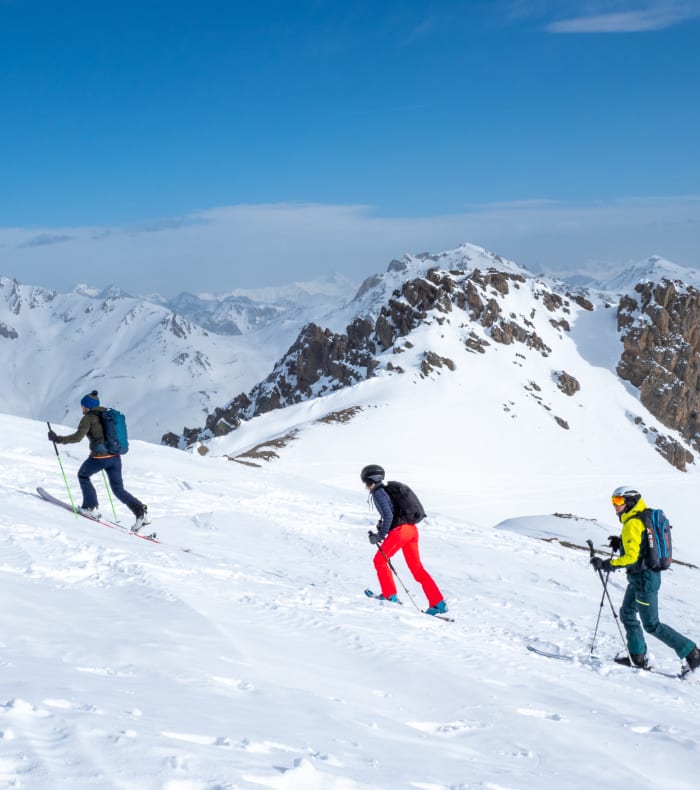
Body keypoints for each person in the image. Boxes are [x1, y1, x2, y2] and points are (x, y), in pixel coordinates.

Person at [590, 485, 699, 672]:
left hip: (644, 579)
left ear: (630, 502)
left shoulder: (633, 523)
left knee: (652, 624)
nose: (615, 505)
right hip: (640, 577)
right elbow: (640, 547)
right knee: (626, 613)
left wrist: (608, 564)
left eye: (618, 501)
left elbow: (631, 557)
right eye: (613, 501)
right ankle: (637, 657)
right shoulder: (642, 516)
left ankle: (692, 653)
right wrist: (621, 542)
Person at [48, 391, 150, 532]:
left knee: (83, 475)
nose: (82, 408)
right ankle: (140, 512)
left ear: (87, 407)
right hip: (115, 457)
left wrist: (58, 439)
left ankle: (90, 507)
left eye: (83, 406)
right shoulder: (106, 415)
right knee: (118, 489)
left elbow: (77, 437)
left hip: (100, 458)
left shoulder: (88, 418)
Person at [361, 464, 447, 616]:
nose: (364, 485)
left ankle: (390, 595)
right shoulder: (387, 490)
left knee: (379, 561)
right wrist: (383, 527)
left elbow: (389, 515)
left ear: (369, 479)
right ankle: (438, 603)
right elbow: (391, 514)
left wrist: (379, 536)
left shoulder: (379, 493)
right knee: (417, 569)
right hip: (411, 530)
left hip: (400, 532)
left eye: (364, 481)